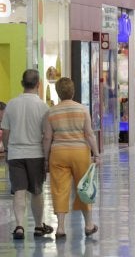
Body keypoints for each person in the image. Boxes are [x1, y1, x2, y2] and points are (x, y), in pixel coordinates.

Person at [42, 77, 101, 239]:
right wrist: (96, 154)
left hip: (58, 153)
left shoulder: (51, 111)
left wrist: (46, 158)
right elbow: (89, 134)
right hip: (80, 153)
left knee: (60, 189)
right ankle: (89, 225)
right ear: (73, 91)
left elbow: (47, 137)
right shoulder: (82, 109)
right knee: (84, 188)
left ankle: (60, 227)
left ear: (58, 93)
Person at [1, 69, 53, 240]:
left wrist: (8, 150)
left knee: (19, 191)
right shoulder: (43, 107)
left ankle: (19, 227)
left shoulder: (11, 104)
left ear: (22, 83)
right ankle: (39, 226)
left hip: (15, 154)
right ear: (38, 85)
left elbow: (6, 132)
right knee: (37, 192)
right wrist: (46, 157)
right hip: (35, 154)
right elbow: (46, 135)